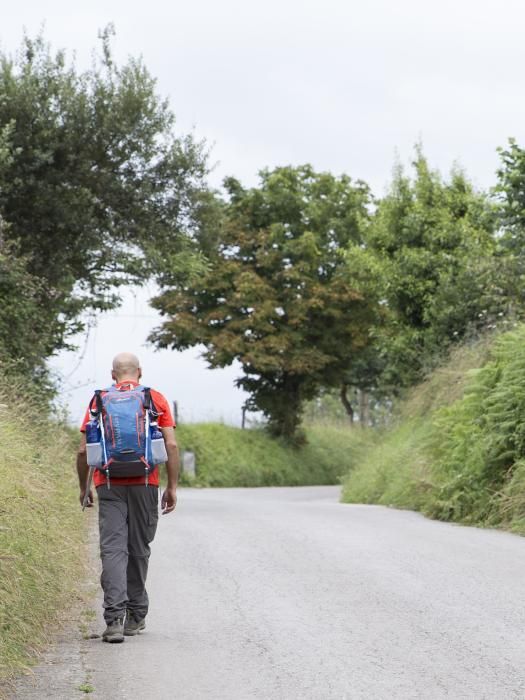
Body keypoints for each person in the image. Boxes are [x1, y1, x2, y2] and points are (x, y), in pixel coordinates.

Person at [76, 352, 179, 643]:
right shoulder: (154, 398)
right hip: (146, 483)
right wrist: (171, 486)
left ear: (113, 374)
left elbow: (83, 451)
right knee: (138, 548)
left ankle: (113, 622)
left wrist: (84, 488)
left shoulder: (99, 400)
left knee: (112, 550)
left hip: (108, 484)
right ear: (140, 372)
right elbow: (170, 444)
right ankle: (136, 615)